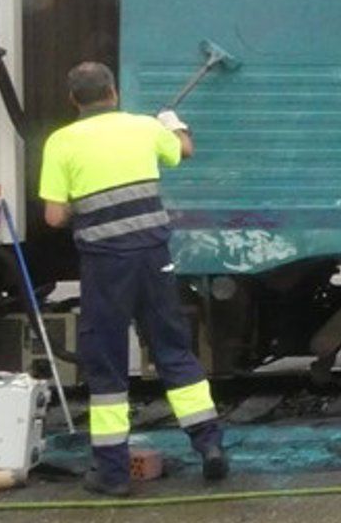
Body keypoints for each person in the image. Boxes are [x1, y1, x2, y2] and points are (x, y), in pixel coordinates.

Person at [39, 62, 228, 495]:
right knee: (173, 349)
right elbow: (184, 150)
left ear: (74, 101)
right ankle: (210, 446)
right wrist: (173, 124)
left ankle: (112, 473)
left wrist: (75, 203)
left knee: (106, 364)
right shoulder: (143, 128)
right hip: (153, 257)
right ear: (114, 93)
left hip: (106, 267)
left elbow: (53, 217)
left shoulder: (62, 142)